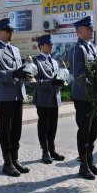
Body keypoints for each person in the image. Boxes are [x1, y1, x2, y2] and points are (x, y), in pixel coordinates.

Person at [0, 18, 30, 177]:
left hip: (18, 94)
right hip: (5, 96)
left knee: (16, 129)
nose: (11, 32)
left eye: (12, 30)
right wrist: (12, 74)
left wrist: (25, 74)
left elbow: (19, 71)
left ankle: (15, 159)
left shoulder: (16, 50)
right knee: (6, 130)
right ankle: (7, 163)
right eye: (8, 30)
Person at [69, 16, 97, 180]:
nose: (92, 31)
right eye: (89, 29)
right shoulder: (78, 49)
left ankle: (90, 162)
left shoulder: (94, 48)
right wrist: (92, 91)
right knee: (84, 131)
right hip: (83, 97)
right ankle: (83, 166)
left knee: (94, 131)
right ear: (80, 31)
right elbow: (79, 75)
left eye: (91, 28)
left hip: (95, 97)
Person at [32, 34, 66, 164]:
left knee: (53, 126)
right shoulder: (36, 61)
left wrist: (60, 82)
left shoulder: (54, 61)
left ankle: (52, 150)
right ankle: (45, 152)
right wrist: (51, 82)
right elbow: (33, 82)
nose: (51, 47)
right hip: (43, 99)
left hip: (54, 98)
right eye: (49, 44)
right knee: (44, 126)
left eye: (52, 44)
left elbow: (58, 77)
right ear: (41, 46)